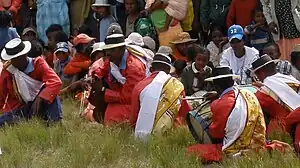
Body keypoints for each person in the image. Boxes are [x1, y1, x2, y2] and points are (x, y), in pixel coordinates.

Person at [187, 66, 267, 162]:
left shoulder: (218, 104)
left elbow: (216, 133)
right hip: (258, 145)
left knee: (191, 151)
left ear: (216, 87)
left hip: (235, 150)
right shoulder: (248, 94)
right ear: (232, 82)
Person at [0, 38, 62, 127]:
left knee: (52, 95)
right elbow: (1, 95)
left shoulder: (38, 63)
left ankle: (54, 122)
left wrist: (40, 97)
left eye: (15, 58)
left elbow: (55, 82)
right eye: (11, 59)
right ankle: (23, 122)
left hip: (40, 103)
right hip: (20, 108)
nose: (12, 61)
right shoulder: (8, 71)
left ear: (24, 55)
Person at [131, 50, 191, 140]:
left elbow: (134, 117)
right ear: (168, 70)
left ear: (151, 69)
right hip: (172, 135)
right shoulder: (176, 85)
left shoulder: (139, 86)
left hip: (144, 136)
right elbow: (185, 112)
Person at [89, 33, 147, 124]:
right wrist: (93, 77)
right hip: (121, 94)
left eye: (112, 49)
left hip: (137, 101)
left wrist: (103, 91)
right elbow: (102, 67)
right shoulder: (113, 58)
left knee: (112, 115)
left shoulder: (134, 67)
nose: (108, 53)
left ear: (122, 49)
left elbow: (129, 97)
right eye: (107, 50)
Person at [252, 54, 300, 153]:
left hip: (283, 125)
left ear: (260, 72)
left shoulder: (266, 88)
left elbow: (255, 102)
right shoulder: (288, 78)